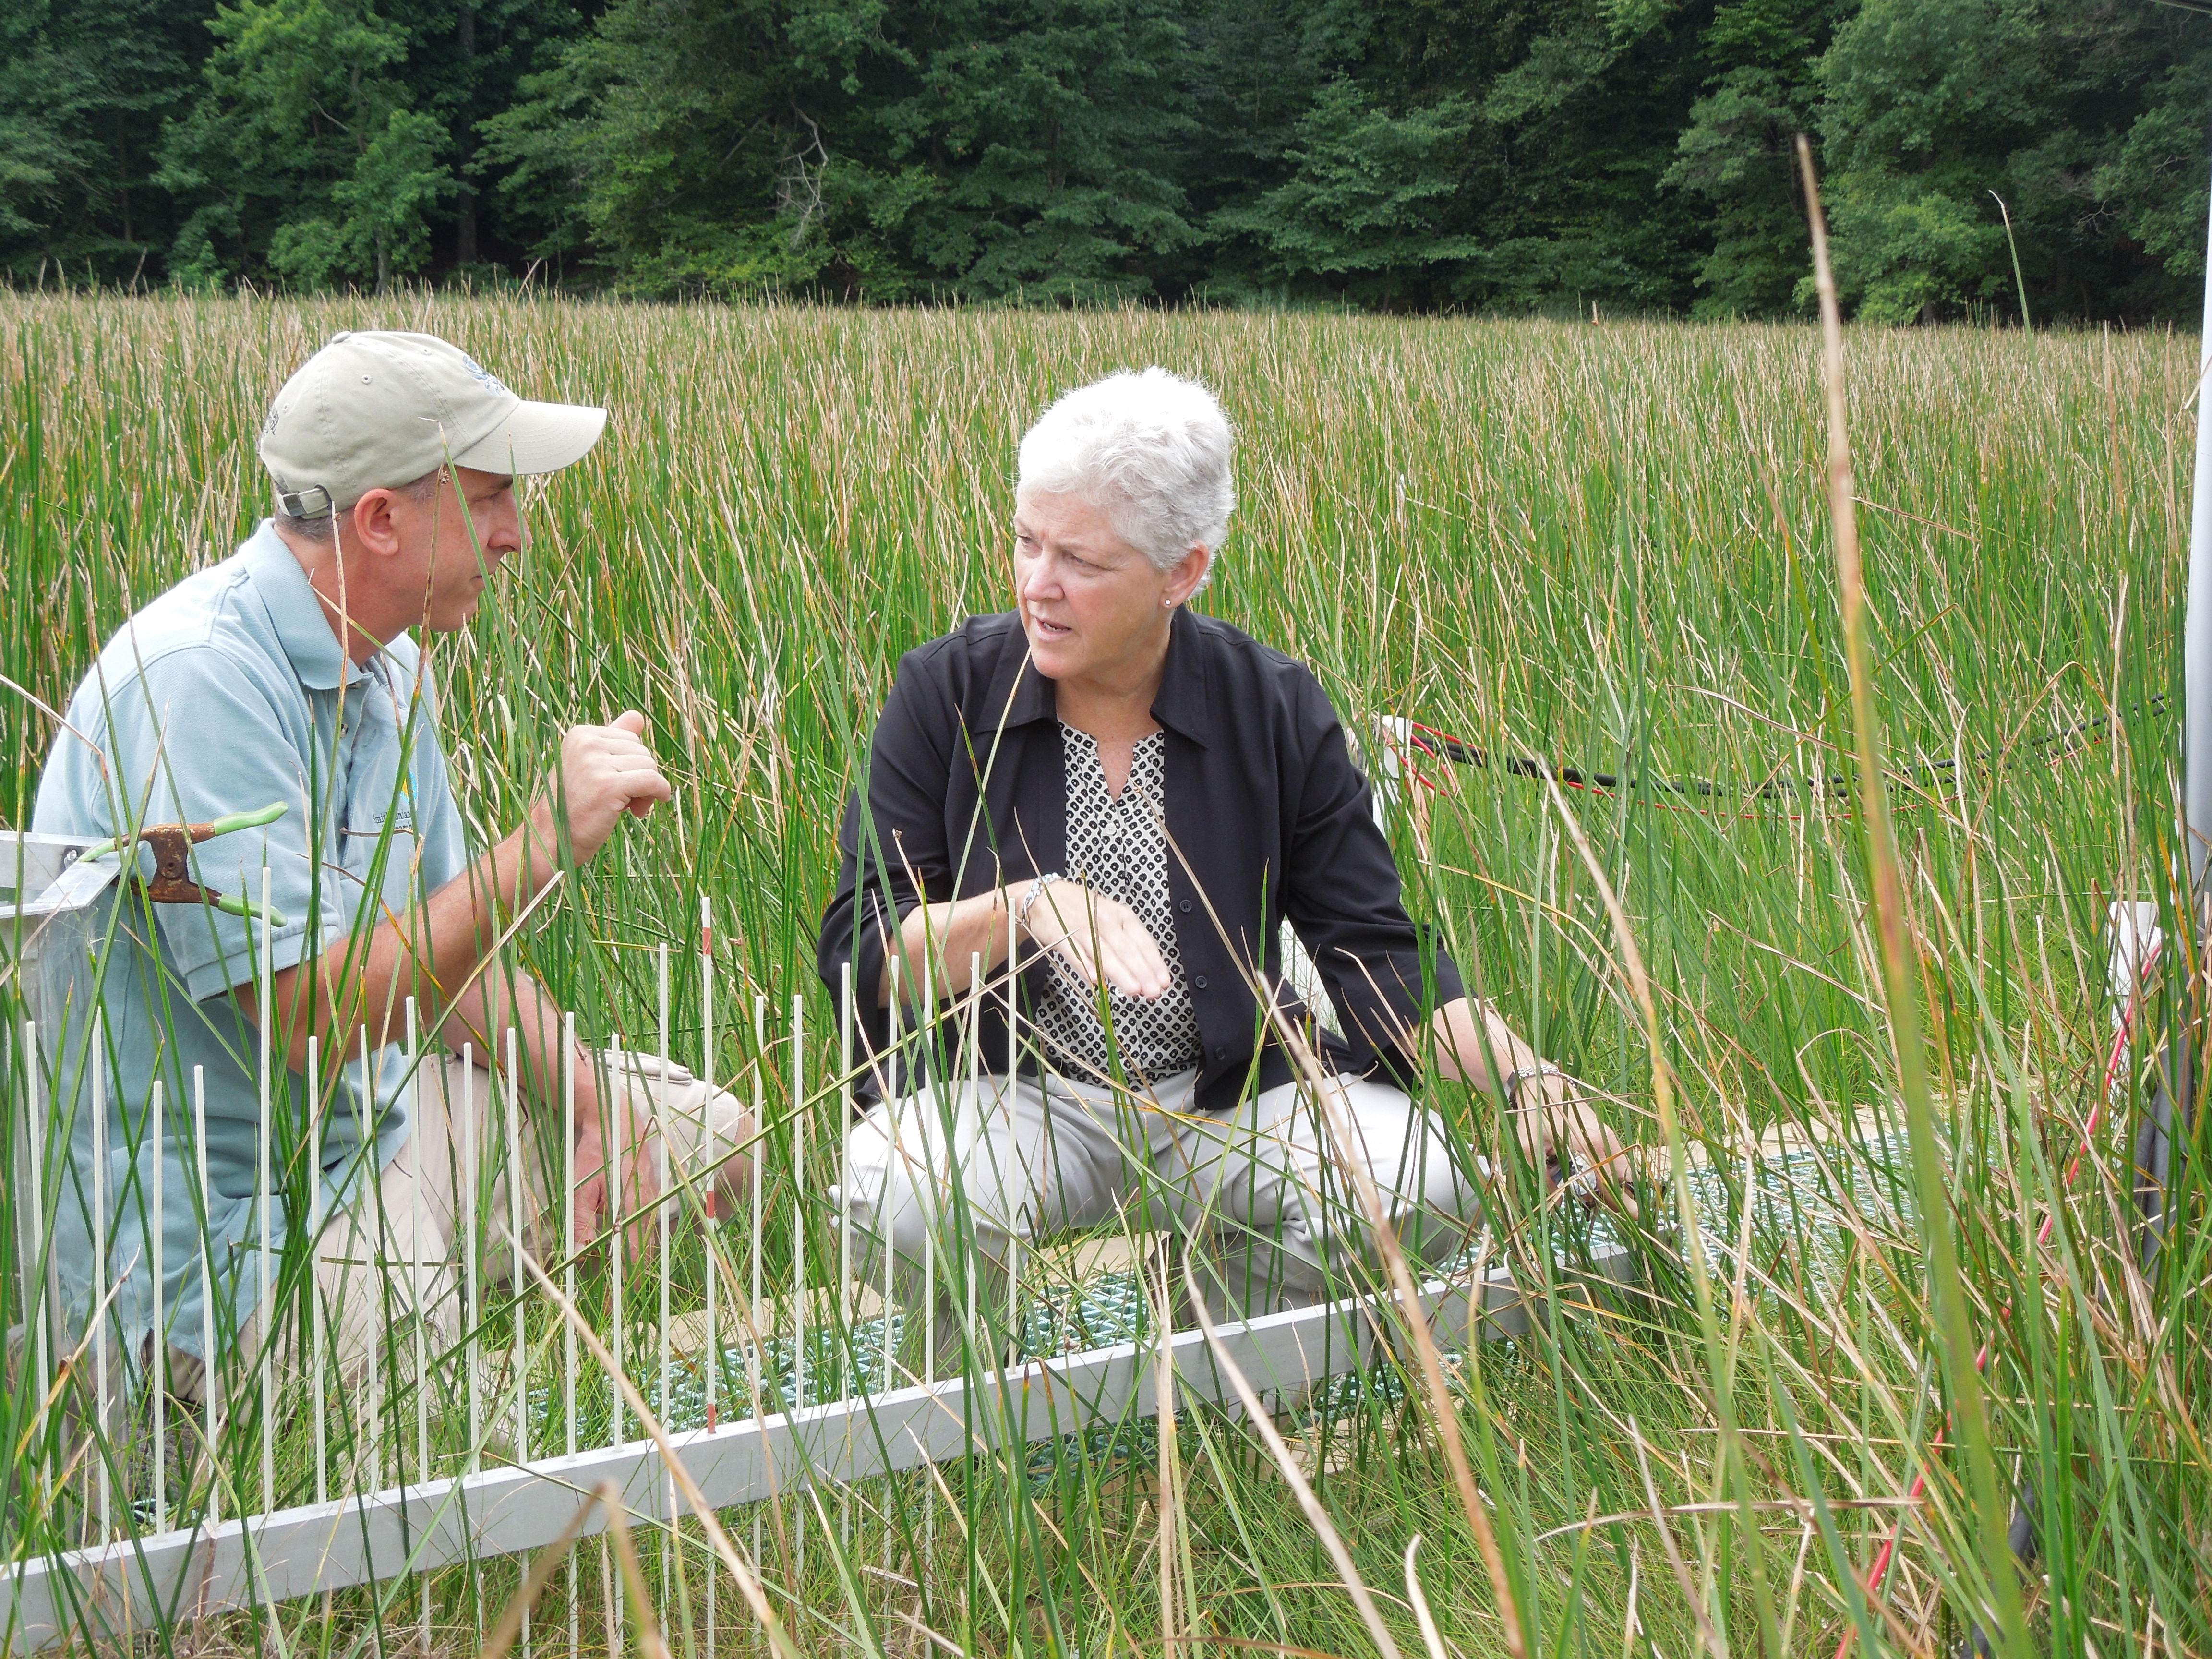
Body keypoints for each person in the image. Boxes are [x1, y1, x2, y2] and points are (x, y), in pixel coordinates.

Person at [818, 367, 1625, 1362]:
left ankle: (1221, 1379)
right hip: (1011, 1096)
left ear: (1182, 573)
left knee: (1420, 1183)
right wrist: (1024, 909)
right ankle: (964, 1415)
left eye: (1081, 559)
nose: (1037, 583)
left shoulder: (1276, 705)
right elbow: (865, 951)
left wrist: (1529, 1081)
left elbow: (1376, 956)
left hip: (1227, 1092)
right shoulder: (943, 691)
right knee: (904, 1196)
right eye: (1028, 540)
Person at [34, 329, 751, 1402]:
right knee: (459, 1458)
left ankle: (422, 1309)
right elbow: (311, 1017)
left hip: (366, 1141)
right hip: (214, 1231)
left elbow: (441, 962)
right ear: (379, 519)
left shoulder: (389, 665)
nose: (514, 536)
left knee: (703, 1143)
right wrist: (543, 846)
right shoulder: (195, 686)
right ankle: (166, 1405)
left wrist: (596, 1099)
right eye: (492, 498)